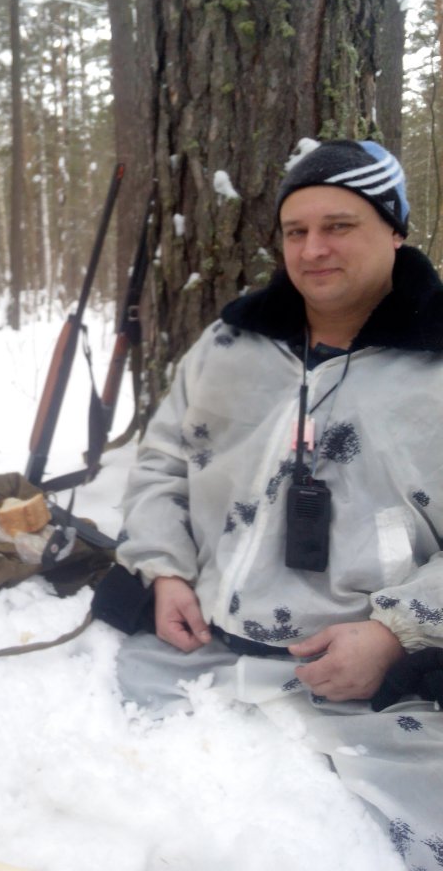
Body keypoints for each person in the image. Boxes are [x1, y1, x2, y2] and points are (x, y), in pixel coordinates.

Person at [114, 139, 443, 869]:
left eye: (339, 226)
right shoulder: (231, 343)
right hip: (193, 656)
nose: (312, 249)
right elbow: (161, 462)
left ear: (395, 229)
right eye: (296, 231)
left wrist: (394, 634)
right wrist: (164, 570)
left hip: (374, 690)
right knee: (104, 813)